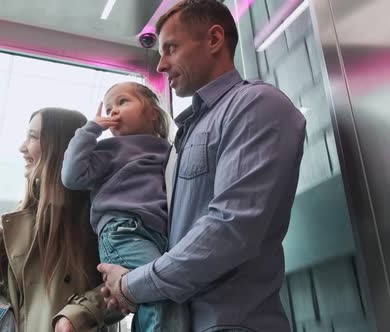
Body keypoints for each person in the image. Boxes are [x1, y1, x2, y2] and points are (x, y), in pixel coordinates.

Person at [98, 1, 307, 331]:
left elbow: (231, 228)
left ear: (213, 40)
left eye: (171, 49)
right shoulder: (187, 133)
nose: (162, 65)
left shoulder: (255, 105)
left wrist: (133, 285)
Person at [0, 108, 120, 332]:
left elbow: (124, 282)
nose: (22, 147)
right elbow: (1, 289)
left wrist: (78, 315)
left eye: (33, 137)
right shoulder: (17, 219)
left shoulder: (97, 210)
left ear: (59, 145)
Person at [61, 82, 177, 331]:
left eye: (123, 102)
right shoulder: (108, 149)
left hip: (161, 236)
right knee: (160, 290)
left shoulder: (170, 150)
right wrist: (90, 130)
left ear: (153, 113)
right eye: (109, 106)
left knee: (157, 296)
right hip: (122, 231)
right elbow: (72, 176)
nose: (113, 111)